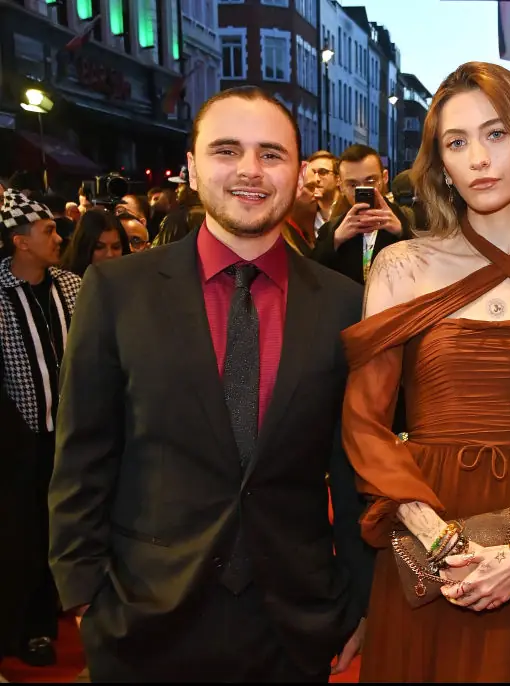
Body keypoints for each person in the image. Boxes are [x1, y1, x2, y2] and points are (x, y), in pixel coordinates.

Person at [48, 85, 370, 681]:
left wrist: (360, 600)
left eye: (271, 154)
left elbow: (352, 470)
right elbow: (84, 453)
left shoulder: (344, 304)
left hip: (291, 623)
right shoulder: (118, 291)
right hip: (143, 616)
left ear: (299, 174)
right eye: (227, 150)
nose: (250, 170)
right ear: (194, 169)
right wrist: (84, 592)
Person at [340, 61, 510, 682]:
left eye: (496, 134)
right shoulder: (402, 267)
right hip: (426, 535)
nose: (478, 157)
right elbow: (364, 425)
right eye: (457, 142)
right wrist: (439, 539)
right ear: (440, 164)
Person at [0, 190, 81, 674]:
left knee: (63, 528)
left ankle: (55, 612)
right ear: (20, 242)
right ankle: (26, 627)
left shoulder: (71, 285)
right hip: (19, 439)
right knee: (21, 534)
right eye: (47, 230)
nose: (58, 236)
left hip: (74, 433)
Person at [312, 144, 409, 286]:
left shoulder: (408, 221)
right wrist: (335, 240)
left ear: (385, 177)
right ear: (340, 184)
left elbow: (428, 268)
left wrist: (402, 232)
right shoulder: (330, 231)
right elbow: (312, 276)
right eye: (352, 185)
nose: (362, 189)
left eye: (370, 181)